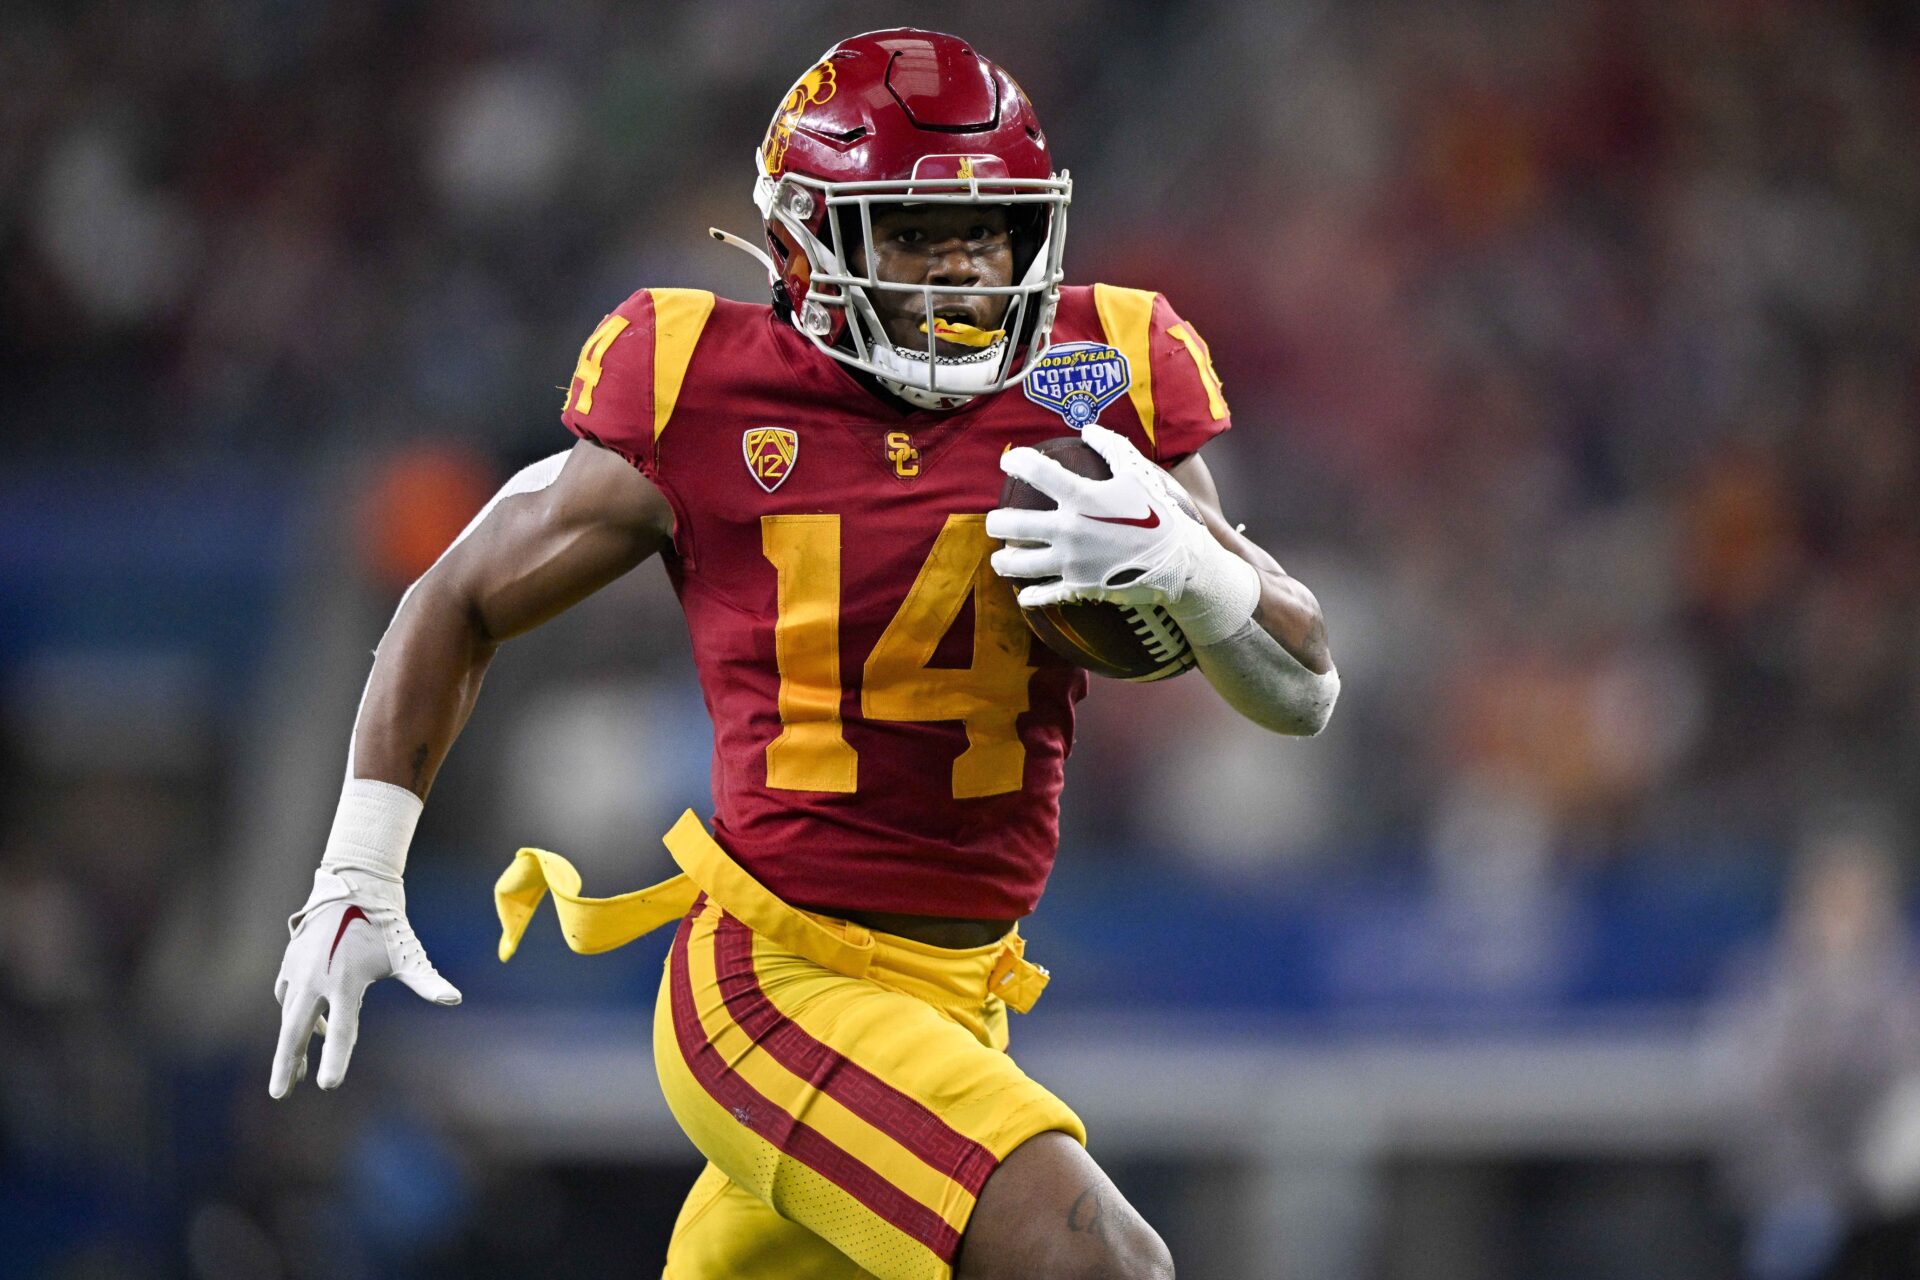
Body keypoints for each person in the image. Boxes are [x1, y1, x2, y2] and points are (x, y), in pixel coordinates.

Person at [268, 28, 1338, 1280]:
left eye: (987, 234)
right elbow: (454, 596)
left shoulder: (1099, 374)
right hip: (774, 978)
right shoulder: (703, 384)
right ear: (806, 244)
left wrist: (1198, 571)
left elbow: (1303, 689)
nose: (959, 271)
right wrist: (358, 862)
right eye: (911, 233)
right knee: (1099, 1262)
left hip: (961, 997)